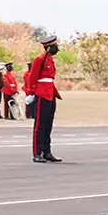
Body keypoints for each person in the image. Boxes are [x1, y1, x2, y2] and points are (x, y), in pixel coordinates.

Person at [30, 35, 62, 163]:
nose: (57, 48)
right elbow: (33, 77)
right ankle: (37, 153)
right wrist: (31, 92)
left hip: (50, 92)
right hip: (42, 93)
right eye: (55, 46)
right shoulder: (40, 59)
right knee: (40, 125)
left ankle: (46, 151)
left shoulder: (49, 60)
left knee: (48, 124)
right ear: (48, 47)